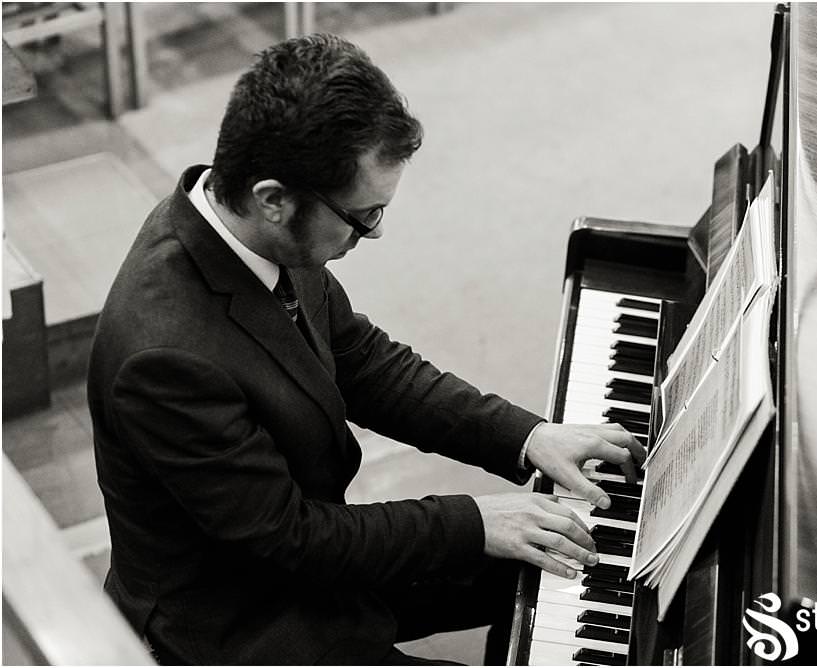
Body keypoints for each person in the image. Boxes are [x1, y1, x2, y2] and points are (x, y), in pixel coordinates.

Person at [88, 33, 644, 665]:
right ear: (273, 199)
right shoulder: (165, 359)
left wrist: (528, 437)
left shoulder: (251, 233)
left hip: (307, 555)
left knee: (579, 565)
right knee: (522, 562)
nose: (372, 232)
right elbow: (289, 537)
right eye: (363, 215)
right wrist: (474, 522)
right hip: (246, 618)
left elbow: (365, 364)